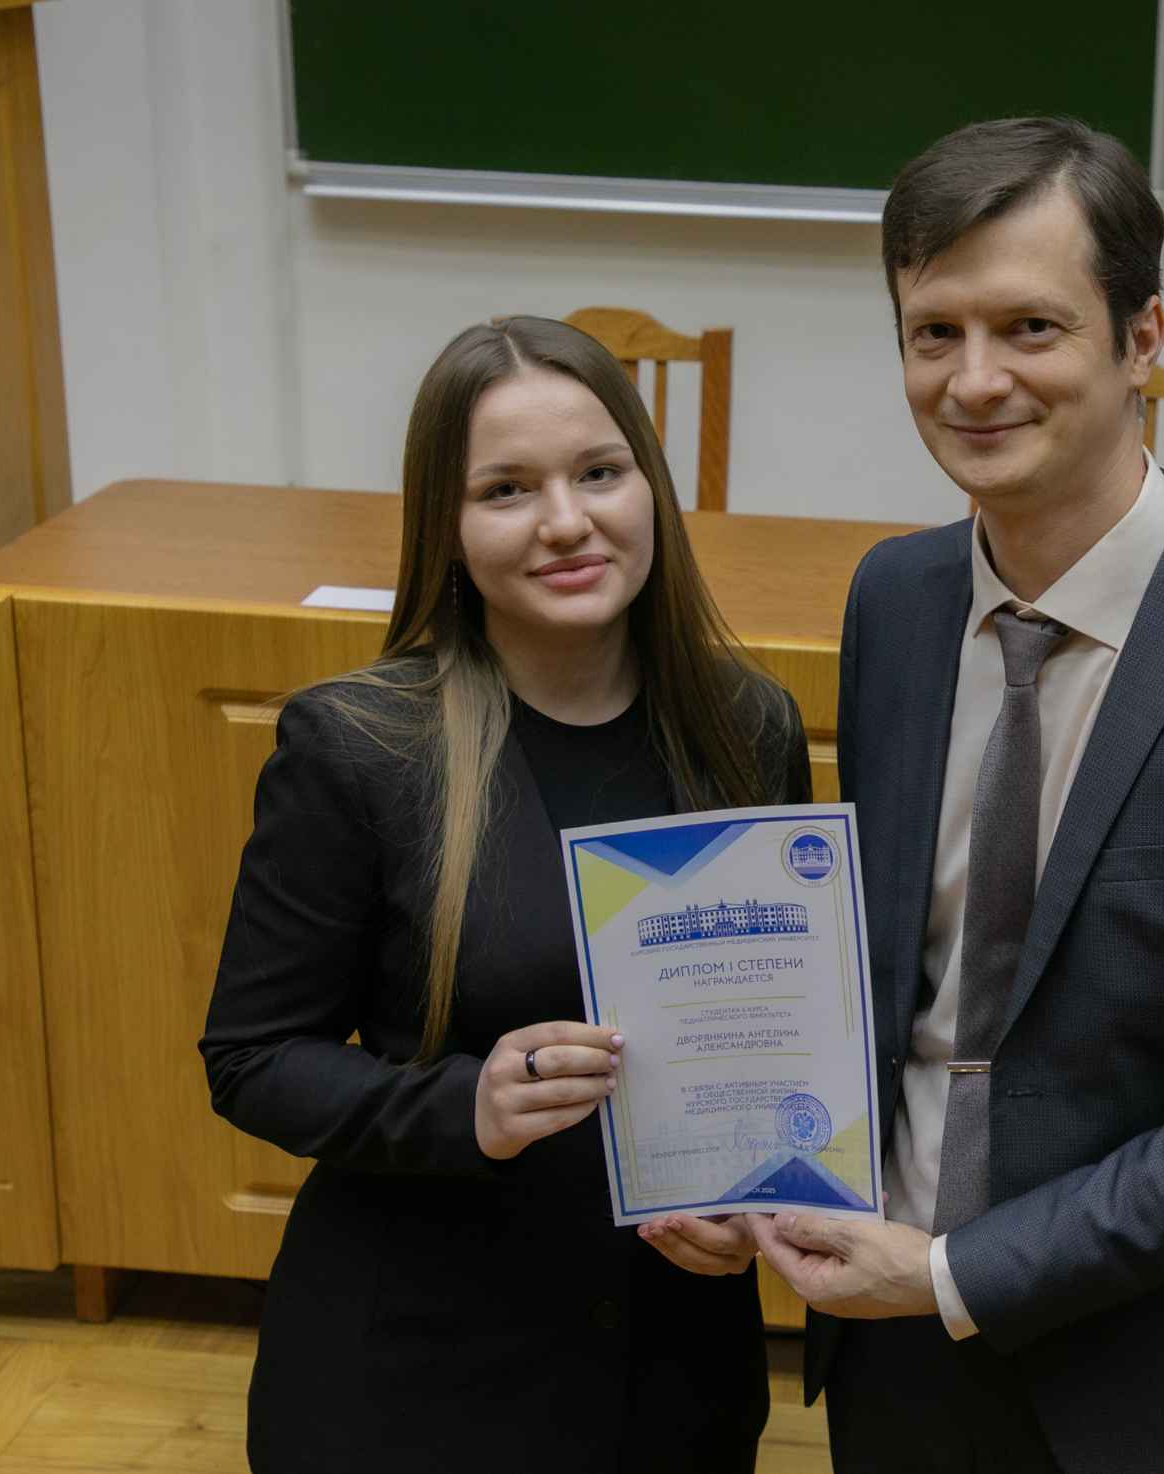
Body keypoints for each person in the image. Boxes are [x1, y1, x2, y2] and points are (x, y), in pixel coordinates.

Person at [742, 118, 1164, 1473]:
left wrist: (960, 1271)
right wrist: (745, 1165)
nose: (974, 380)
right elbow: (892, 971)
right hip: (895, 1354)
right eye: (934, 333)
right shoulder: (894, 600)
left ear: (1142, 337)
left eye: (1030, 327)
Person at [199, 317, 809, 1473]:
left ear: (651, 487)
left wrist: (755, 1199)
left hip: (673, 1372)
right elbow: (253, 1057)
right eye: (506, 489)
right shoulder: (358, 746)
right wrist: (466, 1104)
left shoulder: (750, 726)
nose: (565, 521)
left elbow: (767, 1042)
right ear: (448, 523)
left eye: (599, 472)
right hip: (419, 1373)